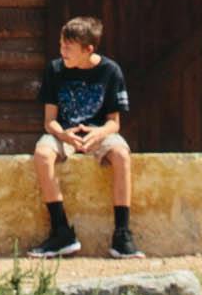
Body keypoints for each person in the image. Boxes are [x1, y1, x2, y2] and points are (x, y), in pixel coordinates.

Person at [30, 14, 136, 256]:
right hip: (65, 132)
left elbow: (114, 123)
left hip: (98, 132)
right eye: (61, 45)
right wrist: (65, 136)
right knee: (42, 154)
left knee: (121, 154)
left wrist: (98, 134)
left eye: (69, 47)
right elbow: (49, 121)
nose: (62, 51)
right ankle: (61, 232)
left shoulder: (111, 71)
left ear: (88, 49)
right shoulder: (54, 70)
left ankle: (122, 234)